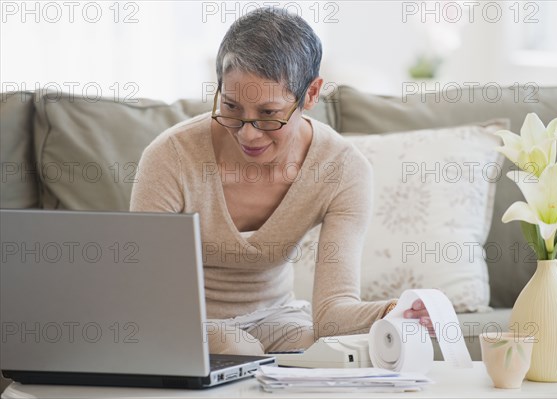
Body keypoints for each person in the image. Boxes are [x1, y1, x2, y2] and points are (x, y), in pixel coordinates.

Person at [130, 7, 432, 355]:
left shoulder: (342, 170)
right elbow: (147, 293)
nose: (247, 133)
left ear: (312, 94)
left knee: (325, 355)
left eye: (268, 114)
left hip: (277, 320)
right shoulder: (170, 156)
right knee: (235, 346)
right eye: (231, 107)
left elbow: (332, 314)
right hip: (183, 322)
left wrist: (395, 312)